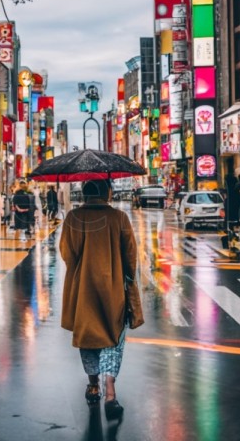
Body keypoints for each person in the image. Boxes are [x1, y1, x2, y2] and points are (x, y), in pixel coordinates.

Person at [59, 179, 143, 420]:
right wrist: (128, 283)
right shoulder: (119, 218)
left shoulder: (73, 218)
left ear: (84, 194)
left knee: (88, 337)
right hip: (113, 288)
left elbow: (67, 254)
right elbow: (131, 257)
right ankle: (110, 393)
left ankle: (93, 385)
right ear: (108, 192)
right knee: (112, 338)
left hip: (82, 288)